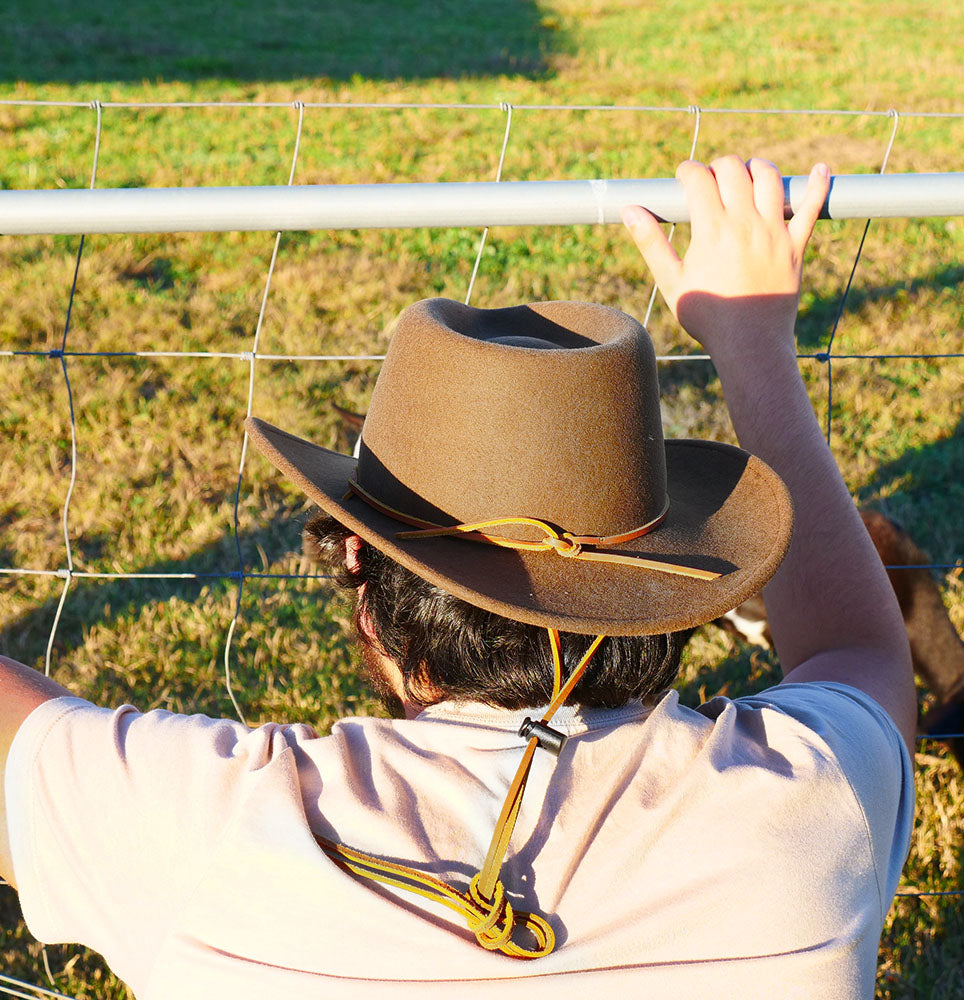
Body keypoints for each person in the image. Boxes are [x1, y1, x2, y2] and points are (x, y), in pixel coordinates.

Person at [0, 157, 915, 998]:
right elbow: (860, 647)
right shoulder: (811, 805)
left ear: (358, 564)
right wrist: (753, 341)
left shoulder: (207, 832)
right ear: (666, 585)